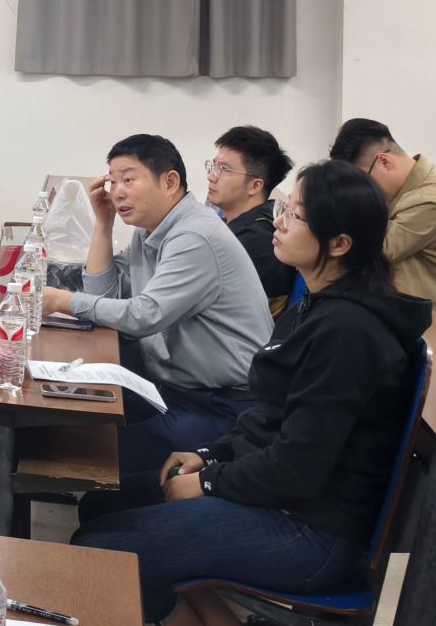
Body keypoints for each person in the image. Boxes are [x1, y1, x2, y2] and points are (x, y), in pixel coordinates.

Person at [71, 160, 429, 626]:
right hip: (286, 502)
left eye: (294, 214)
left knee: (101, 550)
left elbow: (297, 465)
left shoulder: (349, 332)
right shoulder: (321, 304)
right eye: (283, 208)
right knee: (102, 505)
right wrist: (208, 455)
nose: (278, 222)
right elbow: (267, 418)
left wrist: (209, 484)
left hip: (313, 532)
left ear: (339, 243)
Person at [41, 134, 272, 486]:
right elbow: (106, 292)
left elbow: (143, 316)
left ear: (170, 182)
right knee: (71, 415)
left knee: (94, 449)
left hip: (223, 405)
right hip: (175, 389)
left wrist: (63, 301)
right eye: (113, 181)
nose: (117, 192)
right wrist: (103, 224)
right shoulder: (152, 231)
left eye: (129, 179)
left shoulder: (194, 236)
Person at [330, 118, 436, 338]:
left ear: (385, 162)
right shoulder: (408, 186)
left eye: (362, 181)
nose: (362, 190)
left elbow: (373, 253)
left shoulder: (432, 200)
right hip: (407, 313)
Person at [206, 125, 296, 314]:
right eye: (214, 166)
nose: (211, 176)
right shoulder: (248, 224)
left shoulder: (257, 240)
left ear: (255, 186)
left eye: (224, 169)